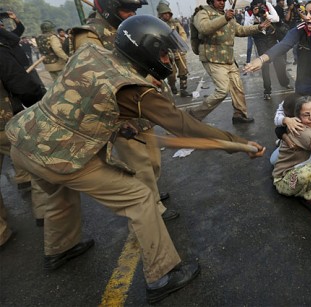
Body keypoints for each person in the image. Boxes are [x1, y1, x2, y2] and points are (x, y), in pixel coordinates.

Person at [6, 15, 266, 303]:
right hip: (61, 155)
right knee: (140, 198)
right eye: (164, 52)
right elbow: (185, 126)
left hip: (25, 140)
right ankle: (162, 275)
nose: (167, 58)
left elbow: (83, 99)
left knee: (58, 194)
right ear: (146, 50)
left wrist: (117, 123)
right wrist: (237, 144)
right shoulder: (133, 89)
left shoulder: (89, 51)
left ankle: (60, 248)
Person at [71, 0, 177, 221]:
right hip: (121, 112)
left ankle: (153, 193)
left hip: (142, 106)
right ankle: (153, 209)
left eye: (134, 10)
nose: (131, 14)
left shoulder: (126, 27)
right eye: (126, 9)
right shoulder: (90, 36)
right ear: (108, 6)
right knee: (140, 164)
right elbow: (91, 77)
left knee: (153, 160)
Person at [187, 0, 269, 124]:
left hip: (228, 58)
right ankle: (193, 115)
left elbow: (240, 30)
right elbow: (204, 28)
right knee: (222, 90)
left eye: (224, 0)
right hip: (212, 58)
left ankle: (240, 114)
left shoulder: (228, 15)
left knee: (237, 87)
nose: (222, 2)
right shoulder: (202, 13)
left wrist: (258, 28)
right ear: (211, 0)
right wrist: (224, 18)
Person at [244, 0, 311, 98]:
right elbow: (283, 45)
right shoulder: (301, 29)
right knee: (302, 107)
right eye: (306, 13)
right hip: (305, 77)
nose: (307, 17)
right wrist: (261, 60)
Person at [0, 33, 48, 245]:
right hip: (5, 122)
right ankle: (45, 212)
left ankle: (1, 233)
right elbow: (20, 84)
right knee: (37, 163)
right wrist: (40, 97)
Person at [247, 0, 292, 100]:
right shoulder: (249, 12)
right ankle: (267, 90)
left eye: (260, 5)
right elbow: (246, 26)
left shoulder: (268, 7)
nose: (259, 8)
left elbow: (276, 19)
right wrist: (253, 15)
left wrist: (266, 15)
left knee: (280, 62)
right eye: (256, 6)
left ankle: (285, 82)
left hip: (271, 38)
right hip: (260, 41)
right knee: (265, 66)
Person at [157, 0, 192, 97]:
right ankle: (172, 86)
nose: (167, 15)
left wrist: (180, 42)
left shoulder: (175, 23)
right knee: (171, 74)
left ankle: (183, 89)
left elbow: (182, 33)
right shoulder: (157, 25)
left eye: (168, 13)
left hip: (178, 51)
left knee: (183, 71)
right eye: (164, 14)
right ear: (160, 14)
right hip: (167, 53)